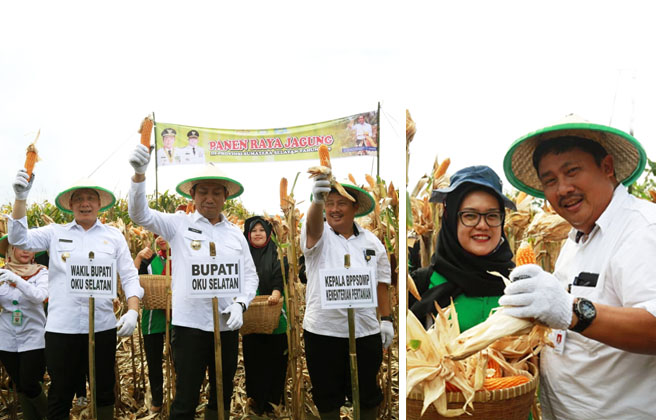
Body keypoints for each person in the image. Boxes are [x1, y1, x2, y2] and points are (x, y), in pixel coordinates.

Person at [500, 115, 656, 420]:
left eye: (572, 171)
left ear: (607, 167)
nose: (562, 189)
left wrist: (571, 310)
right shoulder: (575, 240)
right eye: (550, 181)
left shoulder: (643, 229)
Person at [128, 144, 258, 420]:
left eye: (216, 192)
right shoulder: (178, 224)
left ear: (225, 197)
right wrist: (139, 174)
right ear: (193, 195)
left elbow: (250, 276)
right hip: (189, 328)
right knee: (185, 397)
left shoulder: (236, 235)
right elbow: (139, 215)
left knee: (221, 397)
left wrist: (241, 304)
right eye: (203, 192)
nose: (209, 198)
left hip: (226, 326)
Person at [8, 172, 143, 420]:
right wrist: (20, 198)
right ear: (70, 205)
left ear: (100, 204)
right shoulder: (54, 233)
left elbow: (129, 275)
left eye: (90, 198)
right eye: (78, 198)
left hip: (102, 327)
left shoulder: (113, 237)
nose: (85, 203)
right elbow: (19, 238)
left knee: (103, 390)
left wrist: (133, 310)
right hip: (62, 329)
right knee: (60, 392)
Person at [303, 176, 394, 420]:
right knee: (326, 394)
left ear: (355, 208)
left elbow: (382, 283)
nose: (334, 209)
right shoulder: (319, 236)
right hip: (323, 332)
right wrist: (315, 201)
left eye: (341, 203)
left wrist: (386, 319)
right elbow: (312, 226)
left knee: (367, 393)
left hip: (365, 331)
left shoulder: (372, 242)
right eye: (329, 203)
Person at [409, 166, 517, 331]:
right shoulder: (419, 285)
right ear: (451, 219)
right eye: (470, 215)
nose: (482, 225)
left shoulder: (520, 285)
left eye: (492, 215)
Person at [241, 216, 288, 417]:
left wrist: (276, 294)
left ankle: (273, 402)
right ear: (248, 235)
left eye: (262, 230)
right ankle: (256, 401)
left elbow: (281, 278)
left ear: (269, 234)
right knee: (254, 360)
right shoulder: (242, 255)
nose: (258, 233)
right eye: (254, 231)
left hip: (274, 313)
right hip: (251, 315)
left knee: (276, 359)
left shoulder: (277, 254)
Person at [0, 236, 48, 420]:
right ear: (11, 250)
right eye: (20, 246)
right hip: (6, 337)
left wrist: (17, 280)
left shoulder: (41, 272)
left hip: (33, 336)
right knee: (20, 386)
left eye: (30, 246)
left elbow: (40, 296)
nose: (26, 250)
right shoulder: (2, 273)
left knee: (30, 383)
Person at [133, 235, 170, 413]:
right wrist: (139, 257)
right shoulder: (149, 260)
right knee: (154, 362)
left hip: (176, 319)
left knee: (180, 362)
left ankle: (178, 396)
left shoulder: (181, 258)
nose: (161, 238)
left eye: (165, 234)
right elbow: (131, 279)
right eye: (157, 235)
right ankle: (157, 399)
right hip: (152, 319)